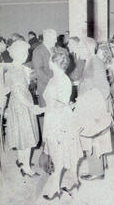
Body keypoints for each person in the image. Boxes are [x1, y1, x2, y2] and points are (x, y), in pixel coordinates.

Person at [38, 47, 81, 200]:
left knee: (59, 154)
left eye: (50, 58)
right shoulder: (54, 78)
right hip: (53, 117)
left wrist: (42, 109)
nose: (48, 61)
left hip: (59, 120)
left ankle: (55, 189)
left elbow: (61, 104)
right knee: (61, 152)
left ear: (55, 62)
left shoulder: (63, 80)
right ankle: (73, 181)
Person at [69, 37, 112, 181]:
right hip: (87, 105)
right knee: (91, 138)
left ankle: (97, 172)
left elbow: (104, 89)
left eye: (81, 48)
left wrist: (91, 104)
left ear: (88, 48)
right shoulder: (89, 62)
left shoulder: (96, 62)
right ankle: (98, 168)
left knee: (93, 139)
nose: (79, 50)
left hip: (93, 107)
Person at [5, 40, 39, 176]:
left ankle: (21, 160)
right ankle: (26, 168)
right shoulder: (17, 70)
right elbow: (19, 94)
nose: (27, 55)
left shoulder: (14, 67)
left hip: (16, 104)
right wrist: (31, 106)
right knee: (27, 137)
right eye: (25, 52)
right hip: (22, 104)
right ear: (20, 54)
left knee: (20, 135)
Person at [32, 29, 57, 107]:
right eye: (54, 38)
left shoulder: (54, 49)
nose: (56, 41)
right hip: (46, 86)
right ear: (47, 38)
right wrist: (51, 82)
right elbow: (38, 71)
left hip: (55, 86)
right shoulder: (38, 51)